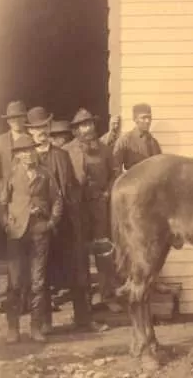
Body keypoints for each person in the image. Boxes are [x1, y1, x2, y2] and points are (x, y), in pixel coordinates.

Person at [24, 106, 108, 333]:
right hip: (42, 224)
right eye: (36, 129)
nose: (41, 132)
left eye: (44, 127)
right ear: (30, 131)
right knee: (42, 274)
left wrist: (77, 216)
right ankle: (44, 323)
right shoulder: (27, 158)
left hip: (68, 223)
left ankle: (83, 319)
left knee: (79, 270)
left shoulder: (62, 155)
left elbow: (72, 188)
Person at [0, 133, 63, 343]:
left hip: (39, 232)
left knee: (38, 282)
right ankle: (13, 328)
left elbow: (57, 199)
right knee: (15, 282)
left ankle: (36, 327)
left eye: (30, 150)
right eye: (23, 151)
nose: (28, 154)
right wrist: (6, 223)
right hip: (16, 233)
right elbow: (1, 203)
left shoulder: (45, 174)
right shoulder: (11, 175)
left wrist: (51, 222)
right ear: (17, 154)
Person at [64, 108, 123, 314]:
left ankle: (108, 296)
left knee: (104, 253)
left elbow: (115, 174)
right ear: (76, 130)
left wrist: (107, 192)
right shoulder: (67, 151)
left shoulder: (105, 150)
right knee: (79, 255)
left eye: (89, 124)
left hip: (99, 208)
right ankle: (84, 301)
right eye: (83, 125)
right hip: (77, 210)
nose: (87, 128)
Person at [0, 101, 30, 314]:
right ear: (8, 121)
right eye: (13, 118)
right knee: (12, 252)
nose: (16, 121)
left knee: (30, 251)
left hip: (29, 204)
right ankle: (15, 296)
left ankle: (30, 297)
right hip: (7, 206)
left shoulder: (31, 139)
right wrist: (5, 192)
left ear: (25, 119)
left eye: (20, 117)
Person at [112, 103, 161, 177]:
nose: (147, 121)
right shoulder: (125, 141)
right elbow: (115, 168)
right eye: (143, 118)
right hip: (132, 181)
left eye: (149, 118)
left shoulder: (154, 143)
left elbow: (159, 167)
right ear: (135, 119)